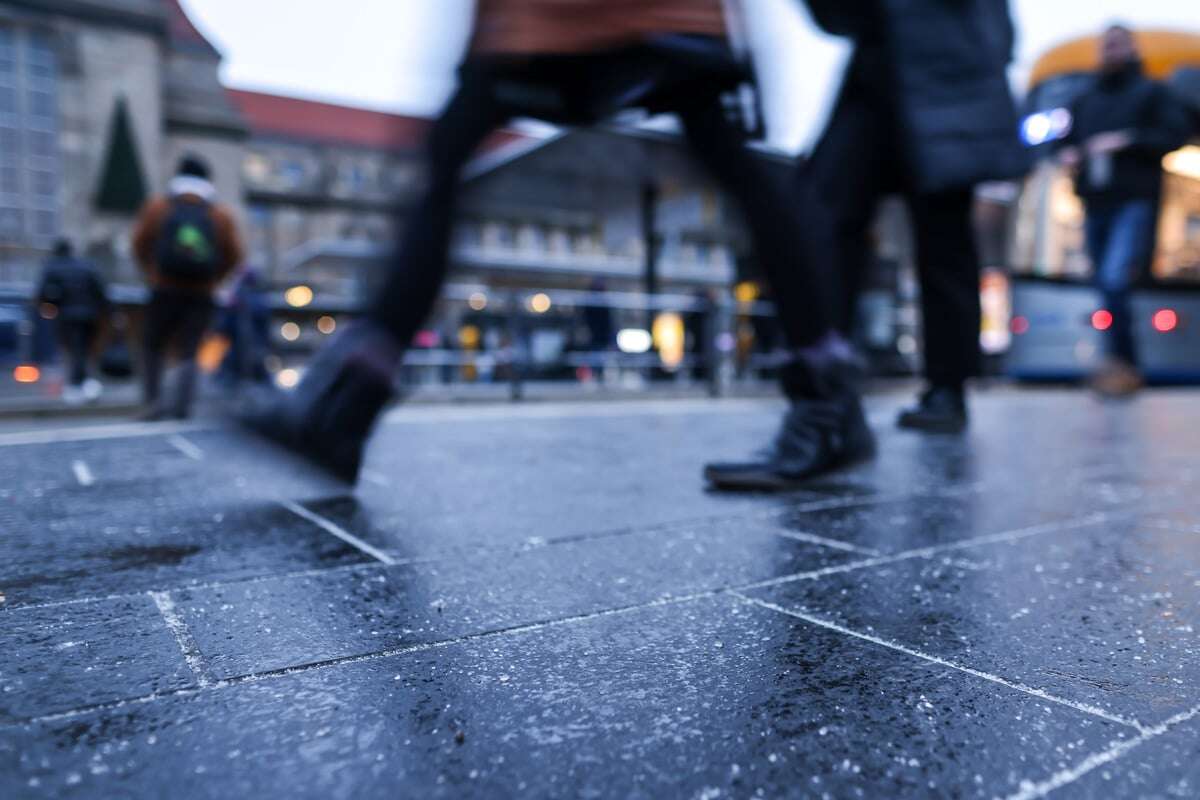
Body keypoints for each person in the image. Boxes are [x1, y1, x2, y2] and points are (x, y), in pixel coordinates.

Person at [240, 0, 874, 487]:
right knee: (734, 164)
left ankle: (350, 404)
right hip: (618, 20)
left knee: (453, 151)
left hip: (571, 22)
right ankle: (827, 394)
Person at [794, 0, 1029, 434]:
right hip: (879, 71)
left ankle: (946, 387)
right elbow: (836, 17)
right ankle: (827, 389)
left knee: (942, 240)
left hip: (945, 77)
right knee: (828, 222)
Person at [1058, 24, 1193, 397]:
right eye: (1107, 45)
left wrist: (1127, 141)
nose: (1111, 52)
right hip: (1094, 201)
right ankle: (1119, 363)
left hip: (1133, 199)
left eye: (1118, 45)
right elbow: (1064, 140)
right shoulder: (1084, 99)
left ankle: (1123, 364)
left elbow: (1173, 134)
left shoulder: (1152, 92)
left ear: (1132, 49)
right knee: (1104, 281)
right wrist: (1070, 153)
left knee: (1114, 279)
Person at [132, 155, 243, 420]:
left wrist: (153, 274)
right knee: (190, 350)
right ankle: (183, 407)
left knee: (153, 345)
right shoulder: (219, 214)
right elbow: (235, 254)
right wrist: (214, 279)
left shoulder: (159, 208)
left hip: (164, 289)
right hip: (201, 293)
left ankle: (153, 403)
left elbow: (139, 244)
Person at [36, 239, 108, 404]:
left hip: (66, 316)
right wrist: (110, 312)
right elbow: (100, 290)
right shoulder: (86, 266)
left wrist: (48, 307)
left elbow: (43, 294)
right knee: (84, 350)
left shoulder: (52, 267)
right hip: (89, 315)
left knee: (73, 351)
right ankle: (86, 384)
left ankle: (76, 386)